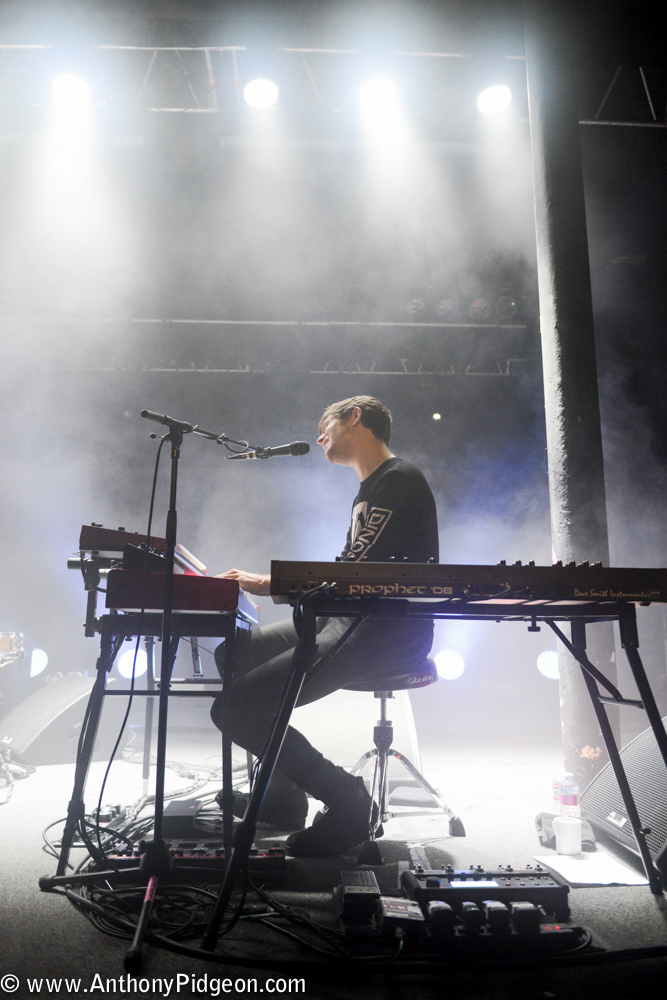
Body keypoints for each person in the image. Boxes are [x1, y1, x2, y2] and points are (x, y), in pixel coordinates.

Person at [211, 395, 439, 857]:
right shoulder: (370, 489)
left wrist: (270, 582)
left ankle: (348, 801)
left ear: (355, 418)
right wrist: (275, 585)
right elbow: (349, 566)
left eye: (325, 425)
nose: (319, 437)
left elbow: (357, 571)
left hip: (381, 629)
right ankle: (282, 798)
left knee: (234, 711)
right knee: (231, 654)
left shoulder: (399, 482)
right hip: (348, 618)